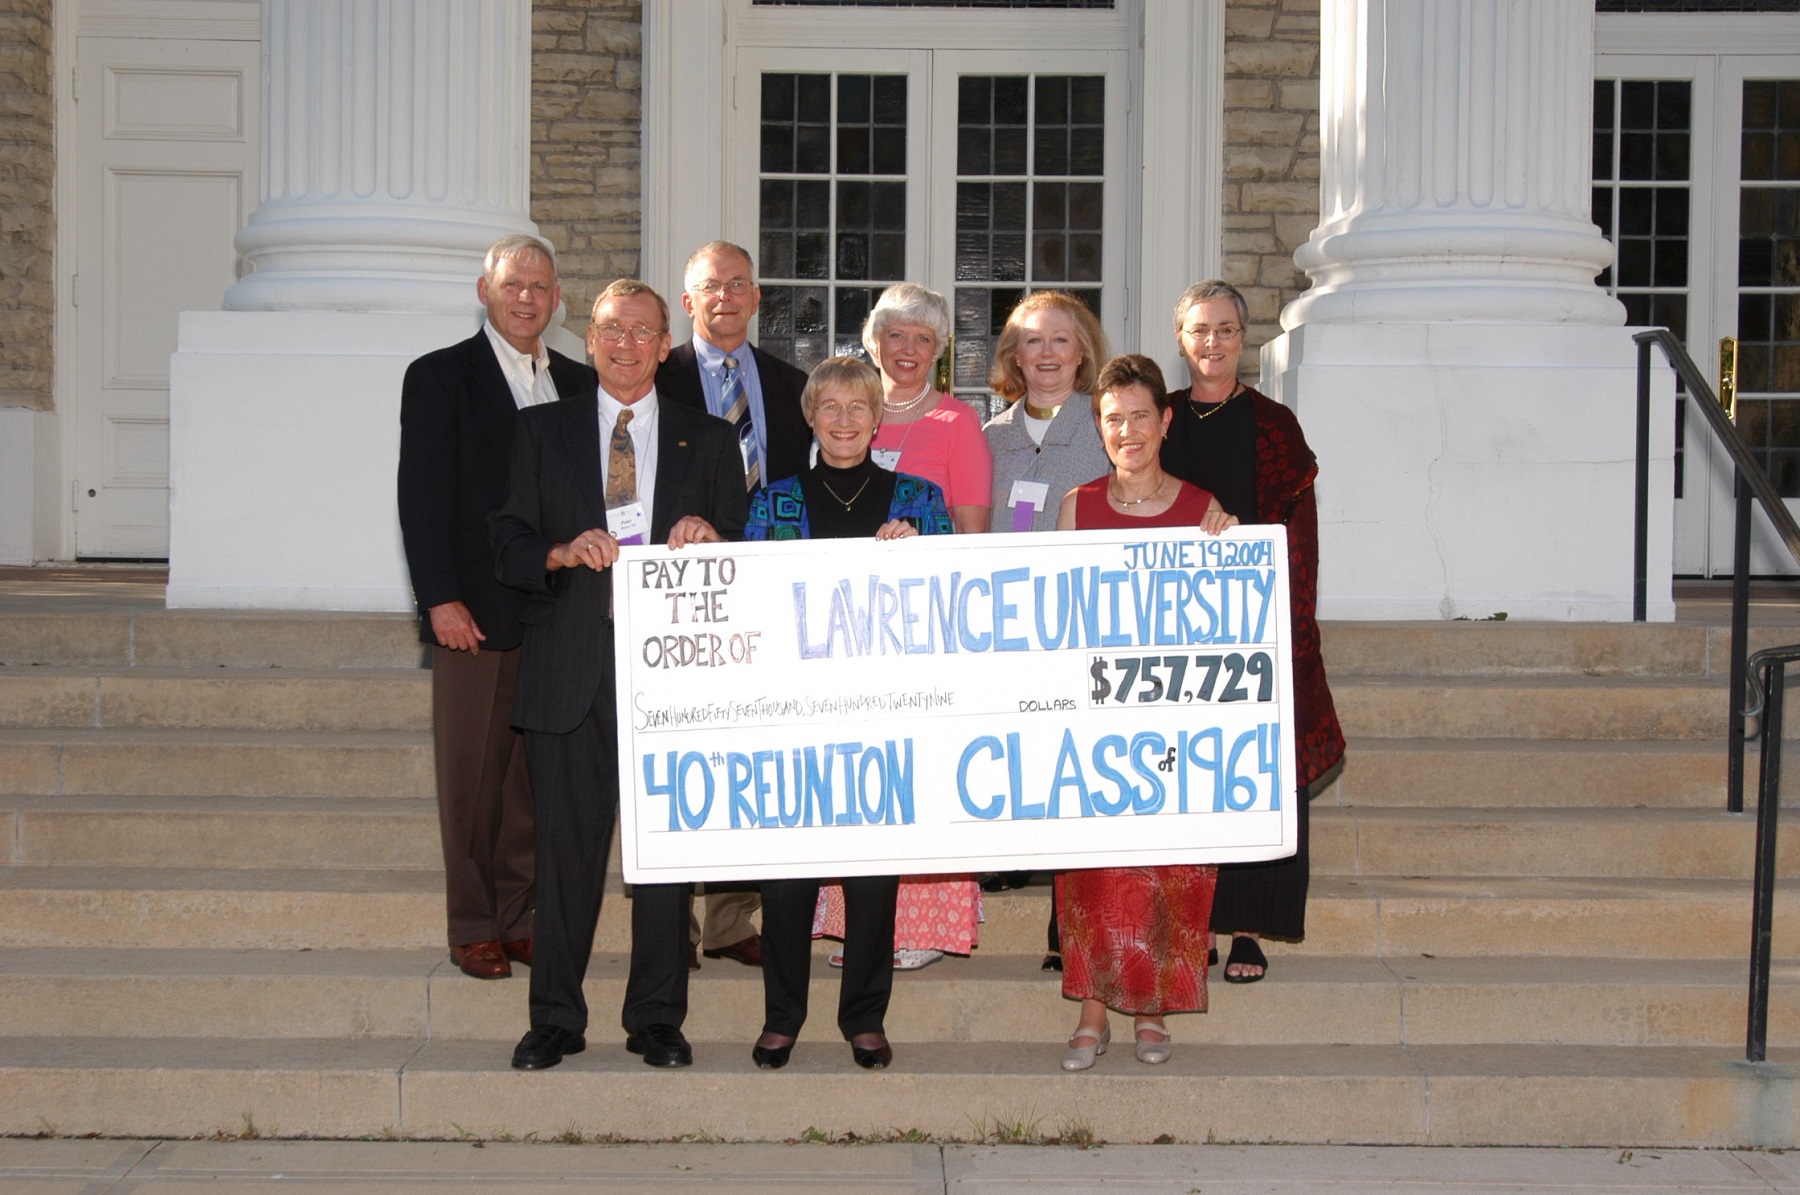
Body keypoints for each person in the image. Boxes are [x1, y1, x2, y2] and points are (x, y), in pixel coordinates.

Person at [491, 279, 748, 1071]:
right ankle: (557, 1017)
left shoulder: (707, 441)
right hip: (572, 668)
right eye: (611, 329)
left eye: (642, 331)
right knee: (565, 857)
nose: (626, 344)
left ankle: (657, 1016)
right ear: (589, 337)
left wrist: (712, 538)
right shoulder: (540, 433)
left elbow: (743, 549)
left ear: (665, 343)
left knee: (666, 857)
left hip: (673, 679)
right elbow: (503, 543)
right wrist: (560, 551)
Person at [743, 356, 954, 1071]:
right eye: (828, 407)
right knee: (787, 874)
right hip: (794, 717)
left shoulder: (920, 502)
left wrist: (919, 557)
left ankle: (864, 1015)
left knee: (873, 873)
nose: (842, 420)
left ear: (877, 416)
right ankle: (782, 1016)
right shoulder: (772, 503)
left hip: (886, 717)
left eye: (857, 407)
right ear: (810, 416)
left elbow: (955, 605)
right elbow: (751, 609)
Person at [397, 234, 596, 981]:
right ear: (484, 290)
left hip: (557, 615)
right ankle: (473, 921)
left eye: (541, 287)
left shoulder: (580, 383)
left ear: (555, 300)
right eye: (514, 283)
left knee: (530, 786)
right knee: (472, 778)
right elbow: (421, 497)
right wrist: (438, 597)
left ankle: (521, 917)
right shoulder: (440, 377)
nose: (527, 298)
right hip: (474, 614)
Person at [1054, 353, 1238, 1070]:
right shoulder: (1078, 505)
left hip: (1174, 725)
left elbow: (1228, 621)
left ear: (1164, 421)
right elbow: (1057, 618)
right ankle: (1092, 1008)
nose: (1126, 430)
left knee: (1166, 865)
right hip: (1096, 721)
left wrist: (1230, 551)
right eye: (1112, 419)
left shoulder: (1204, 512)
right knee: (1093, 870)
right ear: (1099, 428)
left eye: (1139, 416)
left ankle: (1153, 1008)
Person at [1160, 280, 1346, 984]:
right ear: (1181, 339)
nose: (1213, 343)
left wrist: (1284, 626)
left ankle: (1246, 926)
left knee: (1252, 776)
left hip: (1253, 632)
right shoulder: (1162, 419)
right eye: (1200, 330)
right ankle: (1193, 917)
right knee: (1186, 777)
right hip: (1172, 631)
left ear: (1245, 338)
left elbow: (1299, 537)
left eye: (1227, 329)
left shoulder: (1274, 425)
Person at [812, 282, 992, 971]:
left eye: (922, 338)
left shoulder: (957, 426)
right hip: (846, 639)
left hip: (924, 634)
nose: (907, 349)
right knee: (857, 779)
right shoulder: (846, 410)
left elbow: (971, 537)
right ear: (873, 342)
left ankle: (922, 924)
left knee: (919, 776)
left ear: (940, 350)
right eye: (895, 335)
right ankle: (856, 924)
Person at [656, 239, 811, 972]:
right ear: (688, 302)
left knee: (751, 749)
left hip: (769, 592)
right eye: (712, 286)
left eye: (740, 284)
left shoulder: (789, 383)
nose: (727, 296)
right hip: (684, 593)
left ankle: (728, 917)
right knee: (687, 748)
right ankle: (676, 923)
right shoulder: (657, 378)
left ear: (757, 299)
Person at [979, 290, 1114, 966]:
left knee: (1073, 769)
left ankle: (1071, 926)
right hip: (1006, 626)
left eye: (1061, 340)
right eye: (1033, 341)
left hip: (1079, 623)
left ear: (1083, 351)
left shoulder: (1106, 429)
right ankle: (1007, 856)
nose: (1047, 353)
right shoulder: (990, 435)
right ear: (1014, 355)